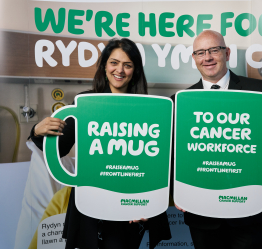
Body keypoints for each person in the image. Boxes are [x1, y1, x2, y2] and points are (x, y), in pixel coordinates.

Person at [171, 30, 262, 249]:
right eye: (200, 52)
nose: (207, 57)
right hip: (202, 213)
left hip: (250, 213)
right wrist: (177, 191)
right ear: (194, 58)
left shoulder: (259, 90)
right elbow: (174, 154)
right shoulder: (180, 100)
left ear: (227, 53)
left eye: (213, 50)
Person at [28, 38, 171, 249]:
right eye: (114, 62)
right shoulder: (87, 102)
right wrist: (36, 131)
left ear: (135, 71)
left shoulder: (147, 106)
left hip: (130, 204)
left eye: (127, 65)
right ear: (104, 66)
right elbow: (59, 147)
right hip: (91, 204)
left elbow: (153, 163)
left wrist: (145, 203)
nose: (119, 70)